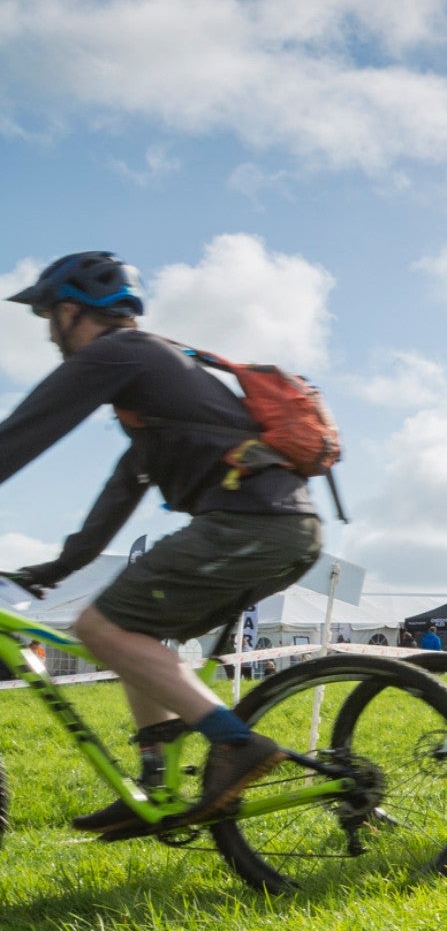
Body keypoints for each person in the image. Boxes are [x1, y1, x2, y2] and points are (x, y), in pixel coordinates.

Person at [0, 252, 325, 832]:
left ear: (71, 310)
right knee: (130, 628)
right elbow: (124, 486)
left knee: (100, 630)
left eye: (49, 316)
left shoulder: (116, 353)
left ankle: (237, 743)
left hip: (251, 523)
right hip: (277, 527)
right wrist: (59, 566)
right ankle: (156, 786)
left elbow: (23, 433)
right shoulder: (150, 377)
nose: (50, 334)